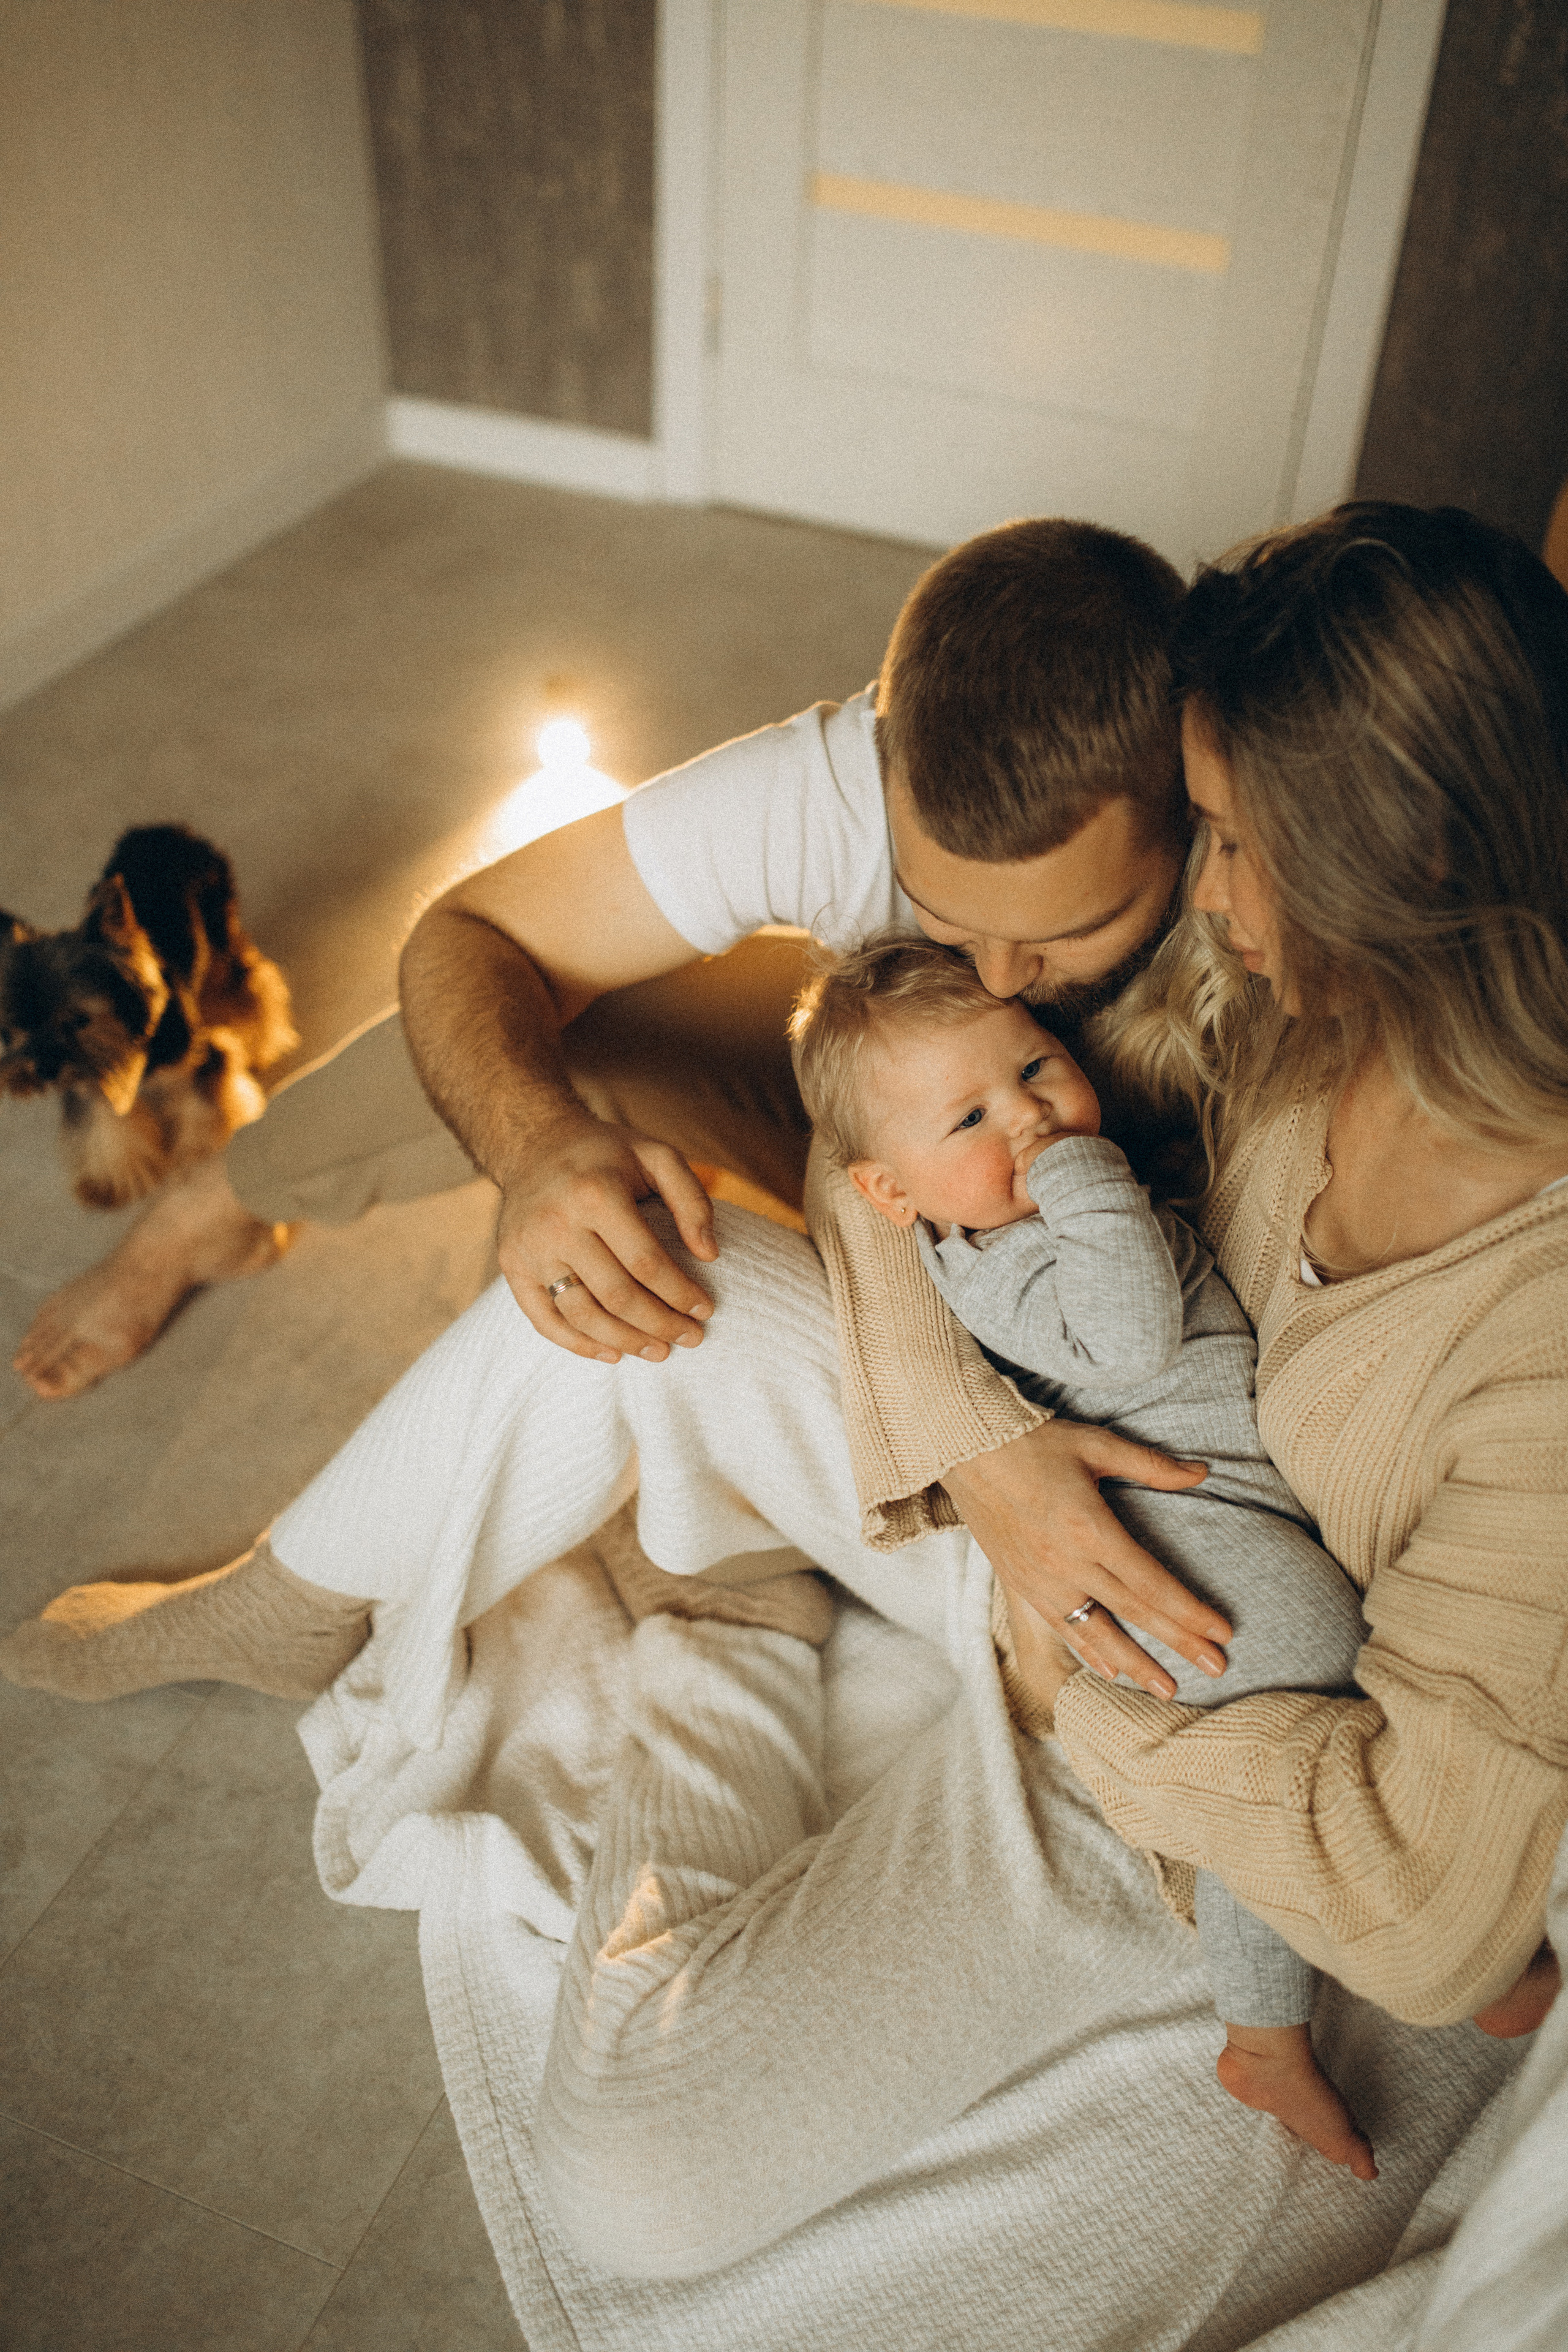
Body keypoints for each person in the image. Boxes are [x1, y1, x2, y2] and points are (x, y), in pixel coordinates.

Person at [4, 503, 1562, 2283]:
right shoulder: (1322, 1011)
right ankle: (303, 1592)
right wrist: (984, 1455)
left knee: (624, 2180)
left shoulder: (1519, 1308)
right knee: (591, 1282)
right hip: (1051, 1508)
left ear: (1400, 863)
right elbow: (878, 1140)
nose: (1214, 893)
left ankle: (724, 1613)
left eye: (1228, 841)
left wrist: (1093, 1687)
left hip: (1173, 1729)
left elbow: (1434, 1909)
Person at [6, 516, 1234, 1701]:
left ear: (1193, 809)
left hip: (1079, 1247)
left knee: (698, 1289)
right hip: (904, 1134)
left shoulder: (1259, 878)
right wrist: (536, 1150)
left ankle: (692, 1547)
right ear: (880, 759)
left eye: (1067, 932)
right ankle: (210, 1212)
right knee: (564, 1031)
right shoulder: (835, 783)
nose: (1000, 978)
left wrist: (970, 1432)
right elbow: (471, 934)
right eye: (947, 919)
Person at [788, 933, 1376, 2174]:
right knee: (1320, 1656)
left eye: (1035, 1070)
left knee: (1296, 1746)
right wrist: (1087, 1182)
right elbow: (1121, 1343)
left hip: (1228, 1506)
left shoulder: (1026, 1218)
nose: (1030, 1120)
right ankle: (1290, 2008)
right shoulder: (1004, 1266)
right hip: (1181, 1534)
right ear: (892, 1196)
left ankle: (1275, 2022)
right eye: (969, 1118)